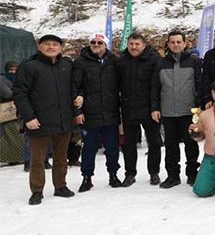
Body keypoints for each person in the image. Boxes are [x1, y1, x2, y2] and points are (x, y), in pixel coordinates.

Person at [13, 34, 77, 205]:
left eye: (55, 44)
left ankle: (60, 186)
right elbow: (20, 93)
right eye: (47, 44)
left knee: (61, 157)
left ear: (60, 48)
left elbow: (75, 87)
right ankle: (37, 190)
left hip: (63, 119)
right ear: (39, 47)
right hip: (38, 121)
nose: (51, 47)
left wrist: (78, 100)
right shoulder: (29, 66)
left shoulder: (66, 66)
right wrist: (28, 117)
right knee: (37, 159)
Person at [71, 33, 122, 192]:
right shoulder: (80, 62)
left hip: (110, 111)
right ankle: (87, 177)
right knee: (89, 148)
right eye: (93, 42)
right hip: (89, 113)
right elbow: (74, 87)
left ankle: (113, 174)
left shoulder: (115, 61)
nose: (96, 44)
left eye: (100, 42)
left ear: (105, 45)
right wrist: (77, 110)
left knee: (112, 147)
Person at [151, 31, 201, 188]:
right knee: (171, 145)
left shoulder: (194, 62)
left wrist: (199, 107)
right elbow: (155, 87)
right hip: (168, 111)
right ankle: (173, 175)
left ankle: (192, 173)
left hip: (189, 111)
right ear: (168, 44)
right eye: (172, 42)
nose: (176, 45)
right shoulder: (161, 63)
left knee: (191, 144)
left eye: (179, 42)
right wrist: (155, 107)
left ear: (185, 44)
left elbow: (200, 85)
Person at [116, 33, 163, 186]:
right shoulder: (121, 61)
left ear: (144, 45)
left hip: (150, 108)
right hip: (129, 108)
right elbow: (116, 85)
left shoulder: (154, 60)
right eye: (131, 44)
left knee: (154, 143)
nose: (134, 47)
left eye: (137, 44)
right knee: (129, 145)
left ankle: (154, 172)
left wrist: (155, 107)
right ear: (127, 45)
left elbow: (157, 85)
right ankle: (130, 174)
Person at [0, 61, 23, 165]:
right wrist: (20, 93)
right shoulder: (2, 81)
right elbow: (6, 93)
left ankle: (17, 158)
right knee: (7, 137)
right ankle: (9, 158)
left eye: (15, 70)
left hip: (17, 113)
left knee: (18, 136)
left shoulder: (20, 79)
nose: (13, 72)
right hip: (6, 112)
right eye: (11, 70)